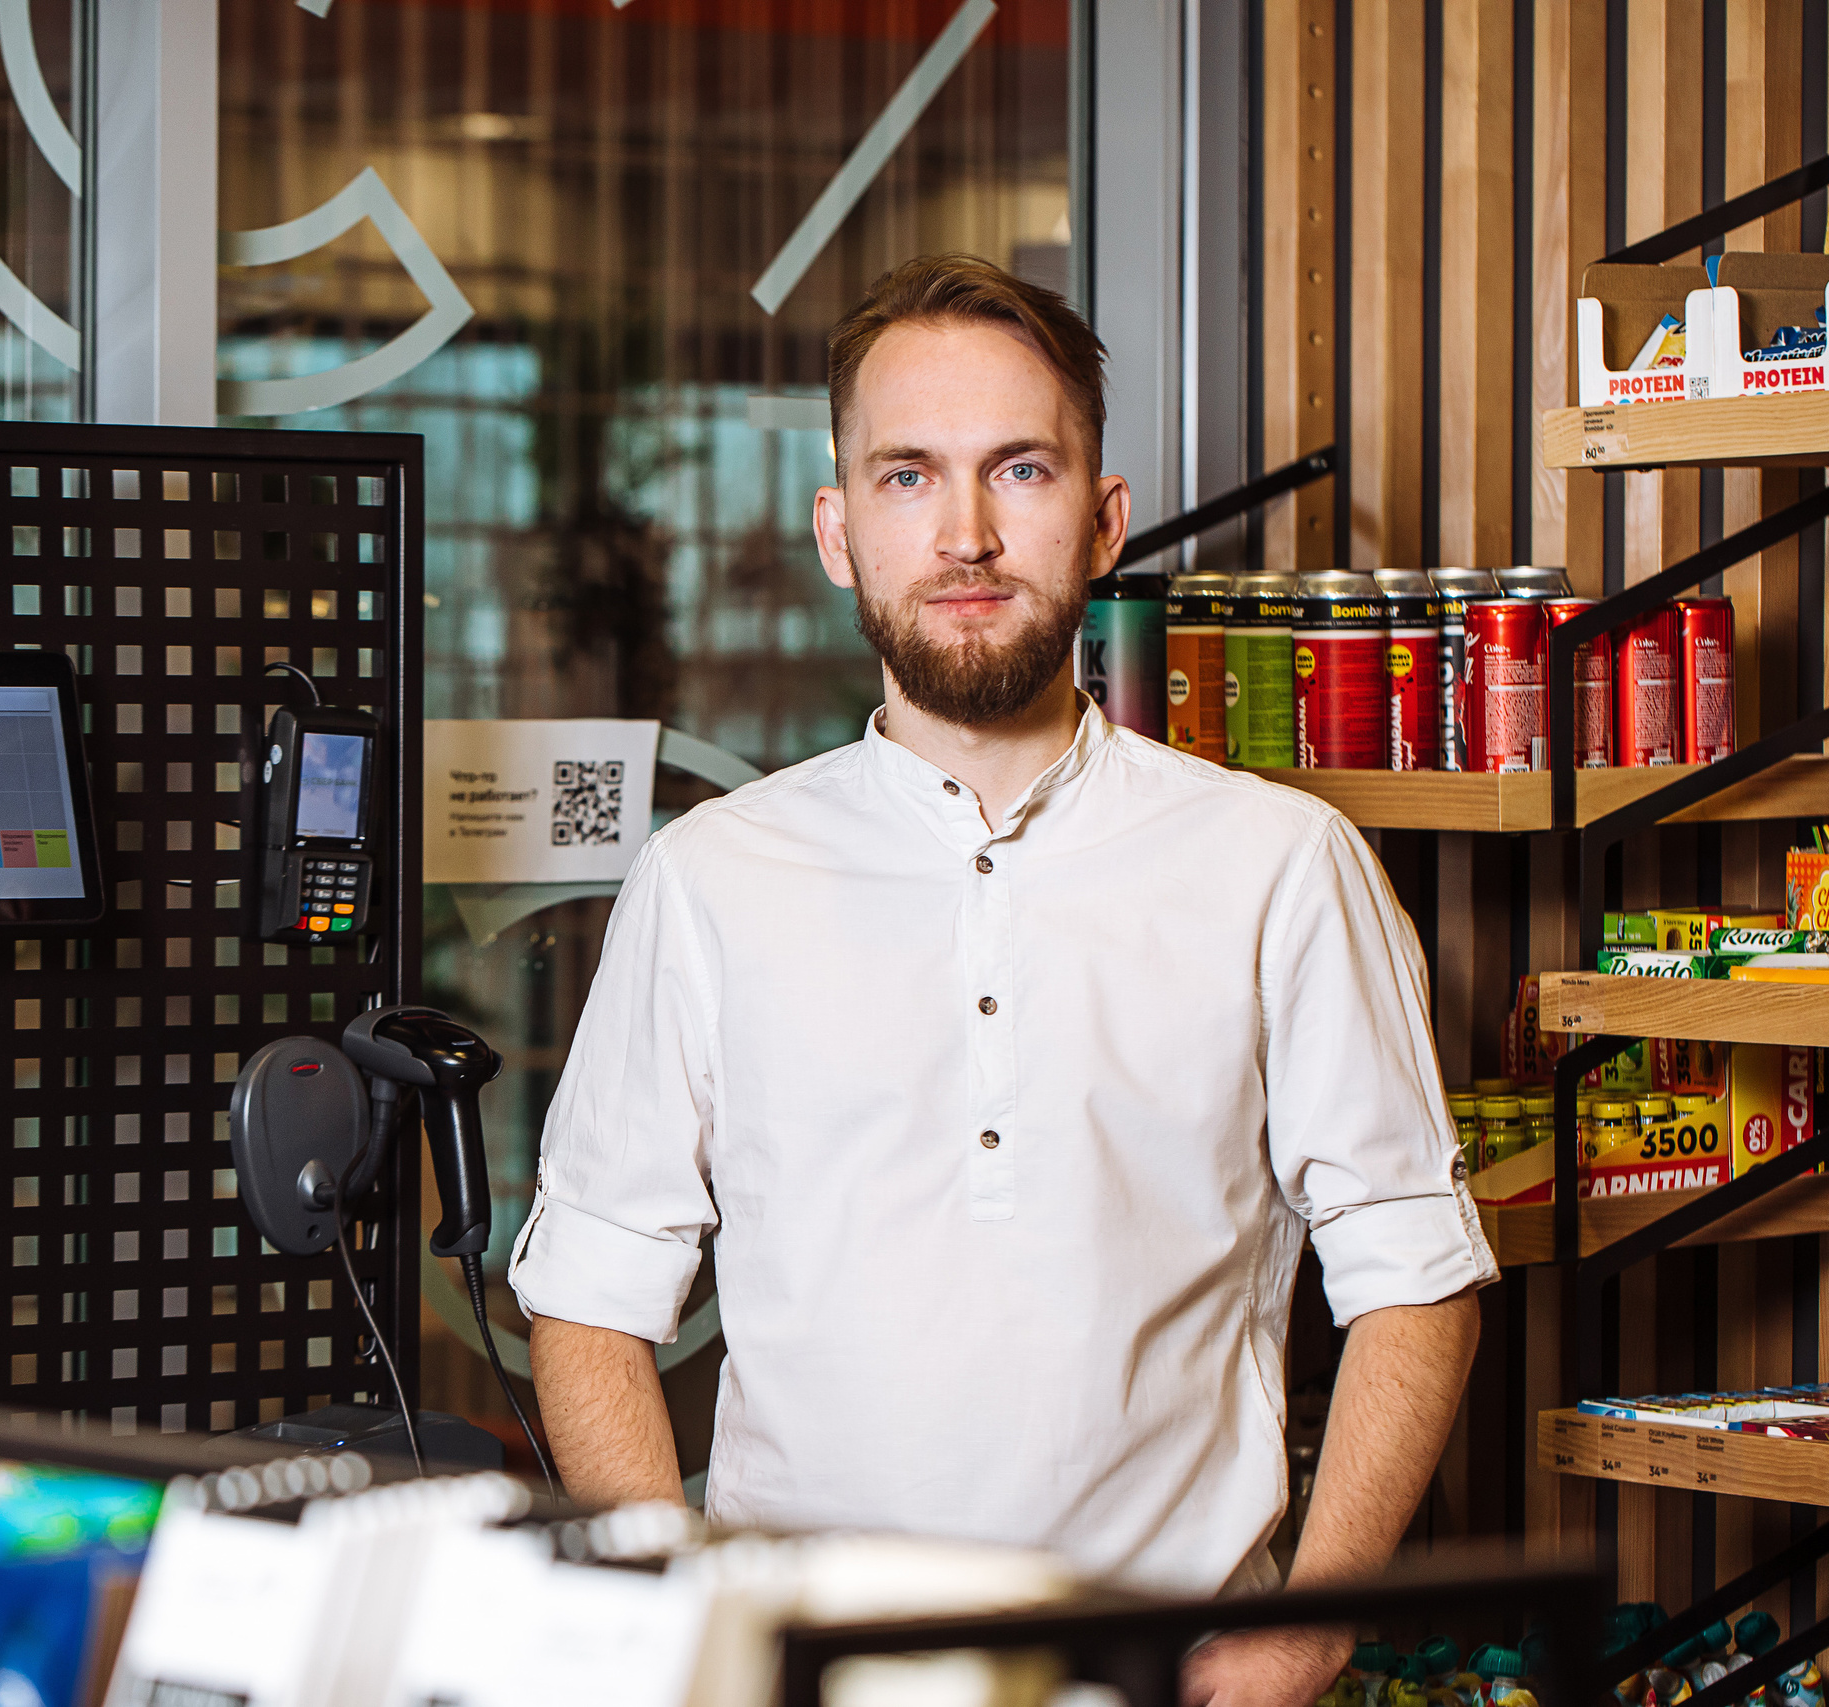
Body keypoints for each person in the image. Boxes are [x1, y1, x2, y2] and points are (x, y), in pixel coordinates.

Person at [507, 253, 1495, 1707]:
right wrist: (673, 1625)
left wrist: (1311, 1625)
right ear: (839, 532)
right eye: (908, 477)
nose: (965, 533)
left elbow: (1417, 1278)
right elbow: (591, 1295)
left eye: (1017, 470)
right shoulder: (713, 878)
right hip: (803, 1676)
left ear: (1102, 521)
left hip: (1162, 1679)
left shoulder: (1284, 865)